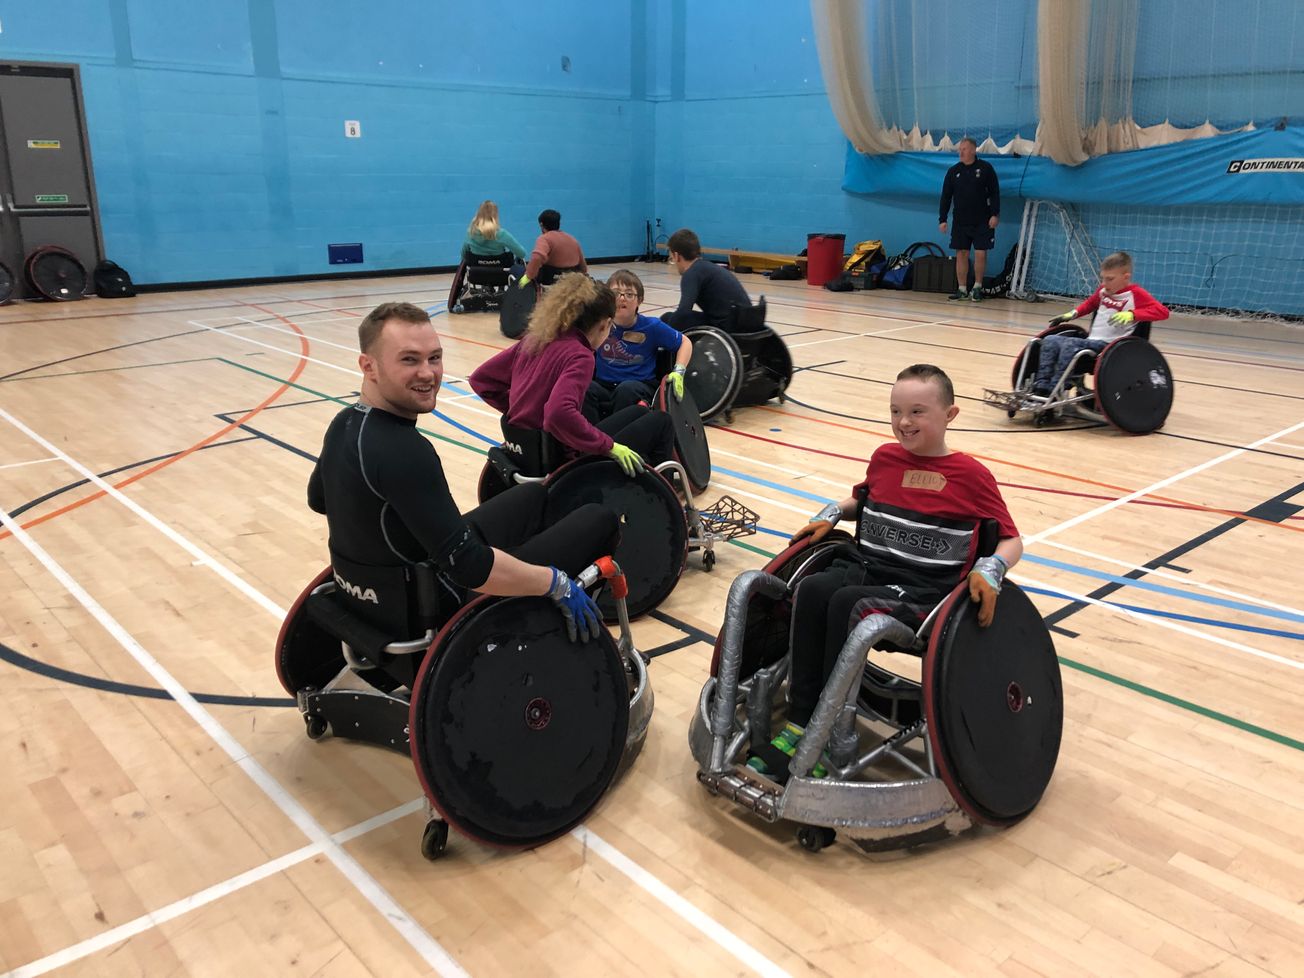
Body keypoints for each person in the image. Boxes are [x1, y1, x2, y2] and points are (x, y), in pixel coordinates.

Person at [748, 364, 1022, 780]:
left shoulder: (971, 476)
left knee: (844, 603)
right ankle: (802, 719)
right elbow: (863, 499)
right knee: (812, 590)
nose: (903, 422)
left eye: (917, 412)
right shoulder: (885, 457)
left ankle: (824, 736)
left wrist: (991, 569)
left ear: (950, 415)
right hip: (870, 568)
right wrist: (833, 513)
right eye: (896, 411)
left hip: (922, 592)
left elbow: (1011, 539)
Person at [307, 301, 617, 642]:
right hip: (437, 604)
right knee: (599, 518)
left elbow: (318, 498)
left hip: (386, 593)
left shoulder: (345, 422)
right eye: (409, 359)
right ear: (370, 366)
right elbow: (471, 567)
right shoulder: (403, 450)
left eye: (434, 358)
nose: (428, 373)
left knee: (534, 494)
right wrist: (555, 582)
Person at [470, 274, 674, 469]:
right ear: (605, 324)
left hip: (526, 448)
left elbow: (481, 380)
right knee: (662, 421)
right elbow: (558, 413)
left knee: (638, 411)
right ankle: (656, 491)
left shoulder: (535, 339)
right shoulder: (581, 355)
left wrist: (520, 411)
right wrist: (609, 446)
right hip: (561, 456)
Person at [1031, 251, 1169, 397]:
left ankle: (1057, 388)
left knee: (1069, 345)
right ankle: (1042, 386)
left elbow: (1162, 312)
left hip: (1110, 347)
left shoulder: (1136, 294)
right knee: (1050, 340)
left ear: (1125, 277)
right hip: (1092, 342)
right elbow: (1090, 304)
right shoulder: (1103, 291)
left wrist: (1132, 314)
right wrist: (1073, 314)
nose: (1104, 283)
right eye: (1102, 278)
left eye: (1109, 279)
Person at [586, 269, 694, 420]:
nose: (622, 298)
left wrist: (679, 372)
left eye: (629, 294)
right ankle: (591, 439)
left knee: (626, 389)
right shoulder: (599, 323)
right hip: (604, 385)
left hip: (637, 386)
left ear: (640, 300)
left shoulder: (652, 327)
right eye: (616, 293)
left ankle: (618, 438)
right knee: (585, 388)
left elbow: (685, 342)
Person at [938, 137, 1000, 302]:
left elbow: (995, 192)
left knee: (980, 253)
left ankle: (978, 287)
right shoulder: (953, 171)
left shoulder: (985, 169)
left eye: (964, 149)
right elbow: (946, 197)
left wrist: (995, 214)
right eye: (960, 149)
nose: (961, 152)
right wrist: (942, 219)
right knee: (961, 253)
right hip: (960, 221)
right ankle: (962, 289)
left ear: (973, 150)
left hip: (982, 220)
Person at [660, 227, 752, 331]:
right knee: (672, 318)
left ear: (676, 256)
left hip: (728, 326)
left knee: (666, 319)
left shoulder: (691, 273)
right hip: (746, 321)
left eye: (672, 258)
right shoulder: (708, 268)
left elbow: (683, 313)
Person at [520, 209, 587, 287]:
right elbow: (583, 267)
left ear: (541, 225)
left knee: (518, 271)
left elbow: (537, 257)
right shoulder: (572, 239)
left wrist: (527, 277)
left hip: (551, 281)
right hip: (571, 282)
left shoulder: (544, 238)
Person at [461, 200, 527, 262]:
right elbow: (522, 253)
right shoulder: (502, 234)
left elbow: (463, 256)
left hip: (475, 273)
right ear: (495, 215)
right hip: (500, 272)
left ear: (478, 214)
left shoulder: (471, 233)